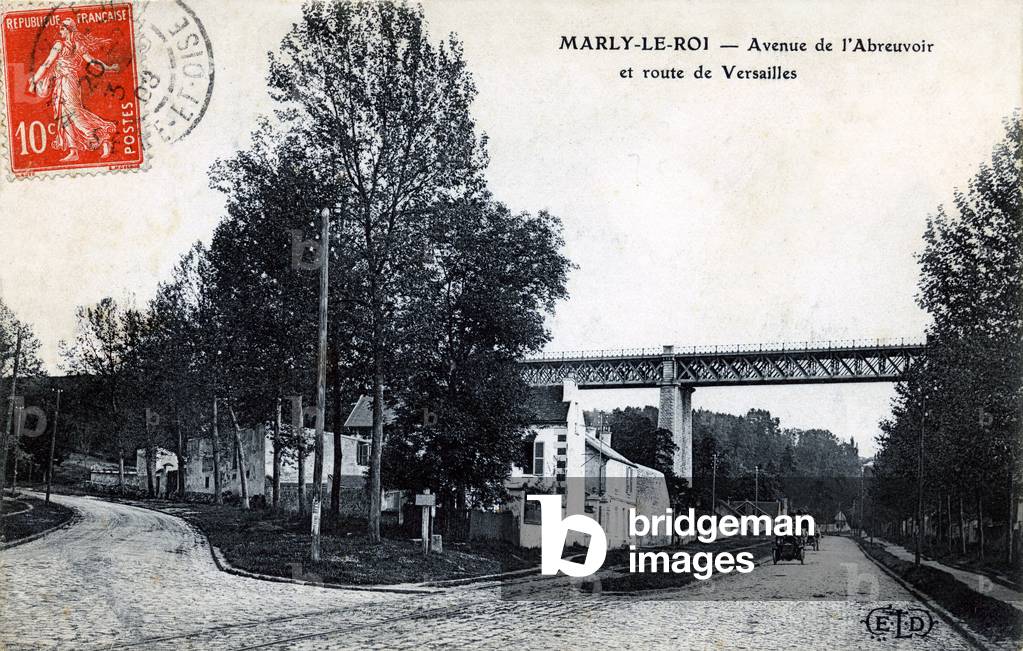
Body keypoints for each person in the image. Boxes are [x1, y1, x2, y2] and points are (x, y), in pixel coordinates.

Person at [27, 17, 119, 162]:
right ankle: (73, 150)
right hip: (63, 82)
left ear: (69, 30)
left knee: (73, 113)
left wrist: (34, 80)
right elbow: (92, 62)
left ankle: (101, 137)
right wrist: (108, 68)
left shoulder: (61, 45)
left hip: (67, 82)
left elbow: (47, 64)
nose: (60, 32)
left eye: (62, 29)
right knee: (64, 116)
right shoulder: (77, 45)